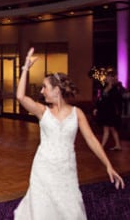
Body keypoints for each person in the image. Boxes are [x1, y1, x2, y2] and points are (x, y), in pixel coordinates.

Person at [14, 48, 124, 219]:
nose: (42, 91)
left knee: (69, 208)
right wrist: (25, 68)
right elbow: (20, 97)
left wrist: (108, 164)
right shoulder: (42, 111)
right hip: (43, 167)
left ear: (57, 90)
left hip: (66, 169)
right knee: (42, 207)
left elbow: (92, 140)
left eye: (45, 87)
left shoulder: (77, 113)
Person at [94, 70, 123, 150]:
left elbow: (116, 100)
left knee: (111, 128)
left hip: (111, 112)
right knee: (109, 129)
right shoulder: (104, 86)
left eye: (108, 76)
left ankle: (103, 146)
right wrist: (97, 108)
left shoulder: (115, 88)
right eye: (107, 76)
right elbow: (101, 99)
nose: (106, 78)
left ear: (111, 78)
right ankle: (116, 145)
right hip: (105, 111)